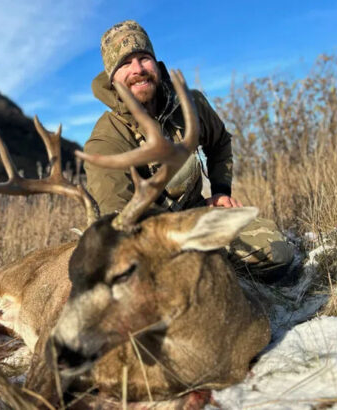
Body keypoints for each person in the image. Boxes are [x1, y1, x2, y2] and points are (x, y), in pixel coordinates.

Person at [84, 20, 293, 280]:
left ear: (156, 63)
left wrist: (220, 191)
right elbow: (121, 226)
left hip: (196, 216)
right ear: (112, 78)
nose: (137, 69)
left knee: (277, 253)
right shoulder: (106, 141)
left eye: (144, 58)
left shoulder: (189, 104)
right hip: (152, 240)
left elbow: (219, 142)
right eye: (125, 64)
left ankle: (218, 272)